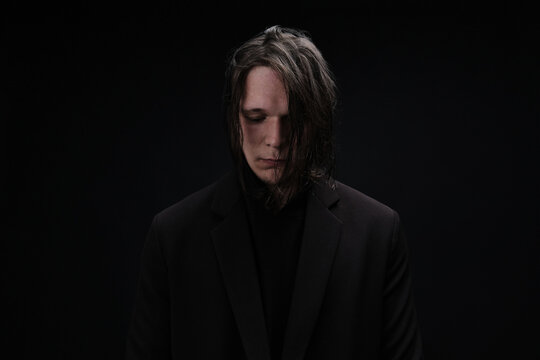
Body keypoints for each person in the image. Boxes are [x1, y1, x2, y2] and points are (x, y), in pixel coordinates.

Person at [126, 25, 423, 360]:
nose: (275, 139)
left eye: (293, 119)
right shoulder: (173, 236)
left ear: (317, 121)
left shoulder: (377, 233)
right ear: (234, 118)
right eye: (256, 117)